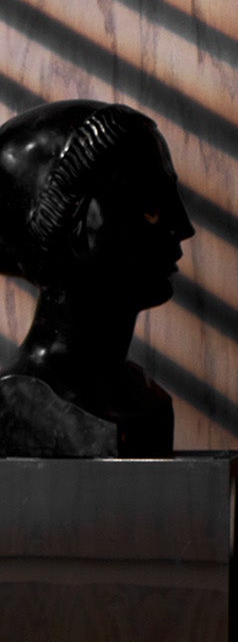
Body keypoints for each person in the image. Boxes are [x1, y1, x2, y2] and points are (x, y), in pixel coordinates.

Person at [0, 101, 194, 457]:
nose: (183, 228)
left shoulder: (143, 400)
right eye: (150, 208)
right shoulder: (23, 407)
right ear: (69, 226)